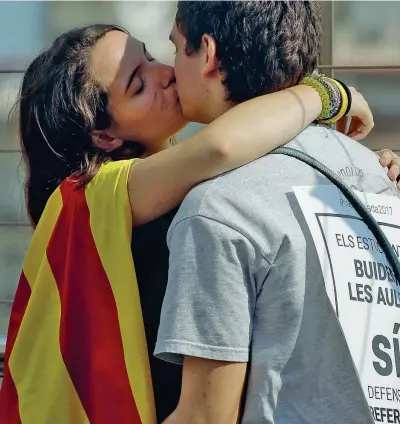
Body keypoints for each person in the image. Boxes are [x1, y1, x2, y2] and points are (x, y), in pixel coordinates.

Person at [0, 22, 397, 424]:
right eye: (139, 85)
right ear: (104, 138)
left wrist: (366, 175)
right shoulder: (94, 193)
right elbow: (222, 145)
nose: (165, 74)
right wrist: (327, 93)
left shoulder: (172, 182)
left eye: (151, 57)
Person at [154, 2, 400, 424]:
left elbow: (206, 416)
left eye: (177, 49)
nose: (169, 70)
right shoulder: (381, 176)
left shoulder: (219, 207)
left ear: (208, 55)